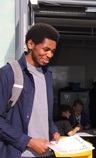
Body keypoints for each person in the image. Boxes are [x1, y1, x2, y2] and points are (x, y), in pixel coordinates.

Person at [0, 23, 60, 157]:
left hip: (46, 153)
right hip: (19, 153)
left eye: (53, 51)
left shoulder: (47, 75)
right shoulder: (8, 73)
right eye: (46, 49)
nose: (50, 55)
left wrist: (53, 130)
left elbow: (44, 115)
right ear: (31, 44)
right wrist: (29, 141)